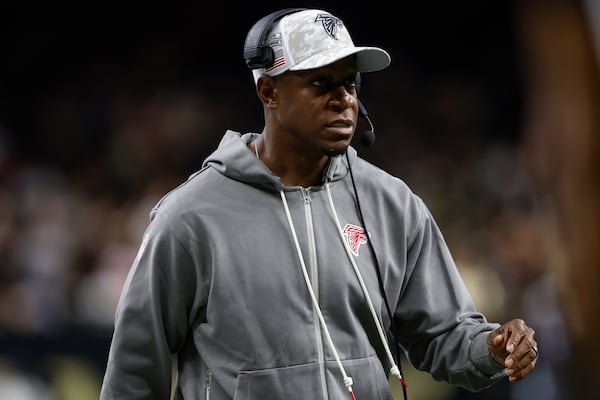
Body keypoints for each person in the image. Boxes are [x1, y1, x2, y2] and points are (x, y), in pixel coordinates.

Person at [99, 8, 539, 400]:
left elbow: (442, 334)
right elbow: (134, 375)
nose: (344, 99)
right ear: (268, 92)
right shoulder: (190, 218)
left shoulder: (391, 203)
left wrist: (489, 347)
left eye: (349, 82)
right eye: (320, 83)